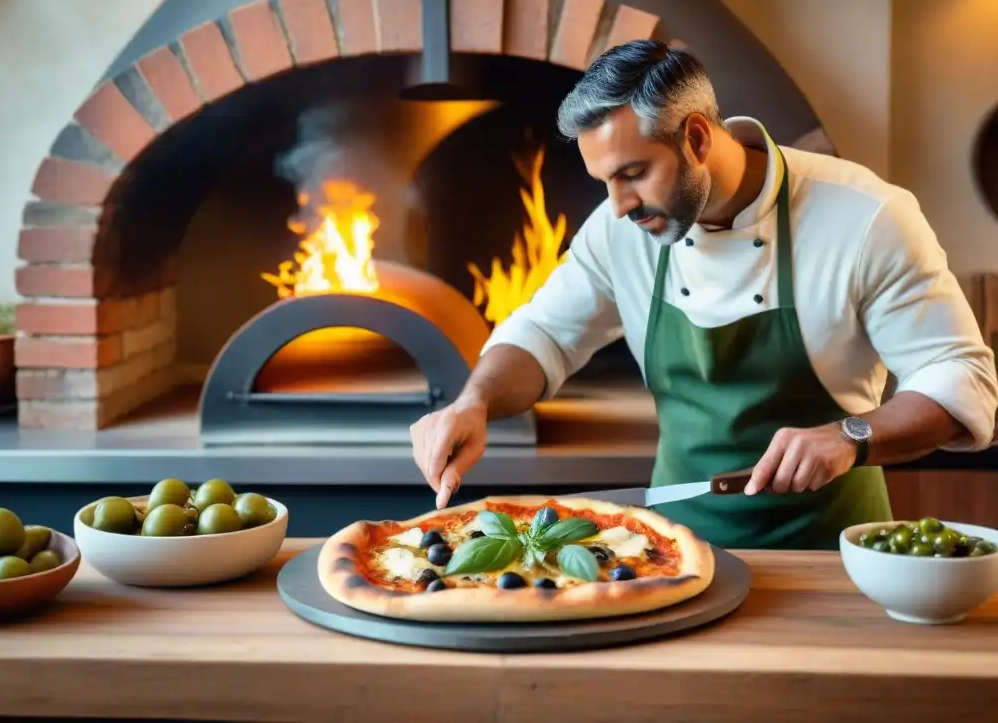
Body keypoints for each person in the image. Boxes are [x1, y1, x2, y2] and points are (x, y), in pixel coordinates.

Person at [409, 39, 998, 550]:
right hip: (675, 548)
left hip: (830, 555)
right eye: (605, 182)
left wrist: (852, 435)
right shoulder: (621, 229)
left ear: (695, 137)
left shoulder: (866, 217)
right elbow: (542, 335)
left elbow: (961, 378)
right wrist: (474, 403)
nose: (618, 205)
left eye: (634, 173)